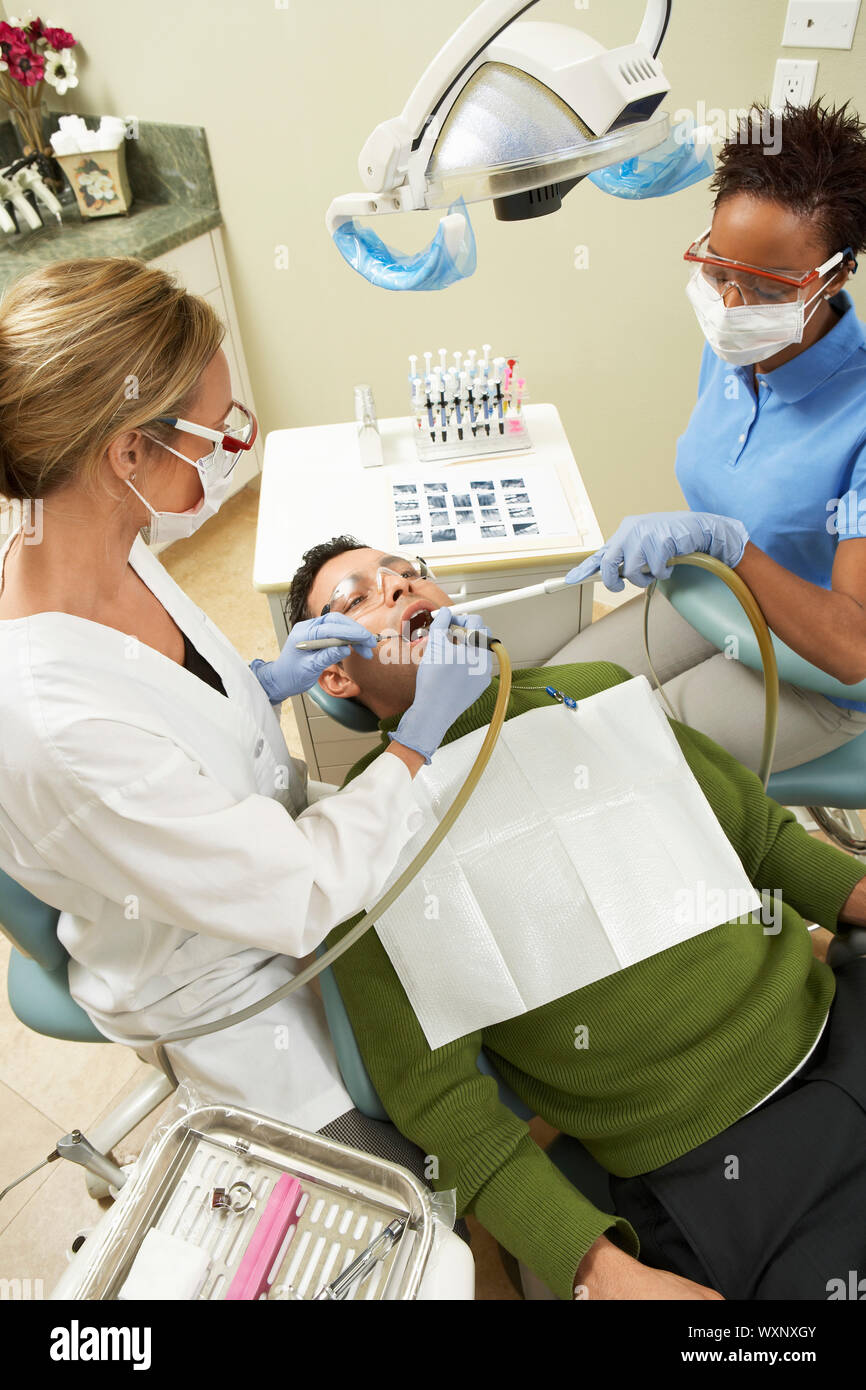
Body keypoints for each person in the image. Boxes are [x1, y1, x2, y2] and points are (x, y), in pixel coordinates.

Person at [288, 534, 866, 1300]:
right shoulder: (365, 840)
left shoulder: (593, 691)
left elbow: (765, 843)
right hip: (714, 1156)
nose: (398, 589)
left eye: (407, 575)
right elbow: (440, 1102)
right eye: (358, 597)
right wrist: (602, 1272)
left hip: (836, 1022)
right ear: (333, 672)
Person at [0, 257, 490, 1142]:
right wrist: (416, 740)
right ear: (126, 453)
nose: (232, 452)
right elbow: (296, 888)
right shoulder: (53, 723)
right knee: (399, 1181)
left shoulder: (106, 537)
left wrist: (258, 686)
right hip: (215, 976)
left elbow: (161, 706)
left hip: (264, 863)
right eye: (217, 432)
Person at [563, 100, 866, 775]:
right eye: (718, 272)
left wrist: (729, 544)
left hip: (816, 674)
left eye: (763, 290)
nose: (729, 310)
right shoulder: (736, 350)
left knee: (609, 762)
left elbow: (853, 649)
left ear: (837, 274)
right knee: (547, 703)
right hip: (712, 601)